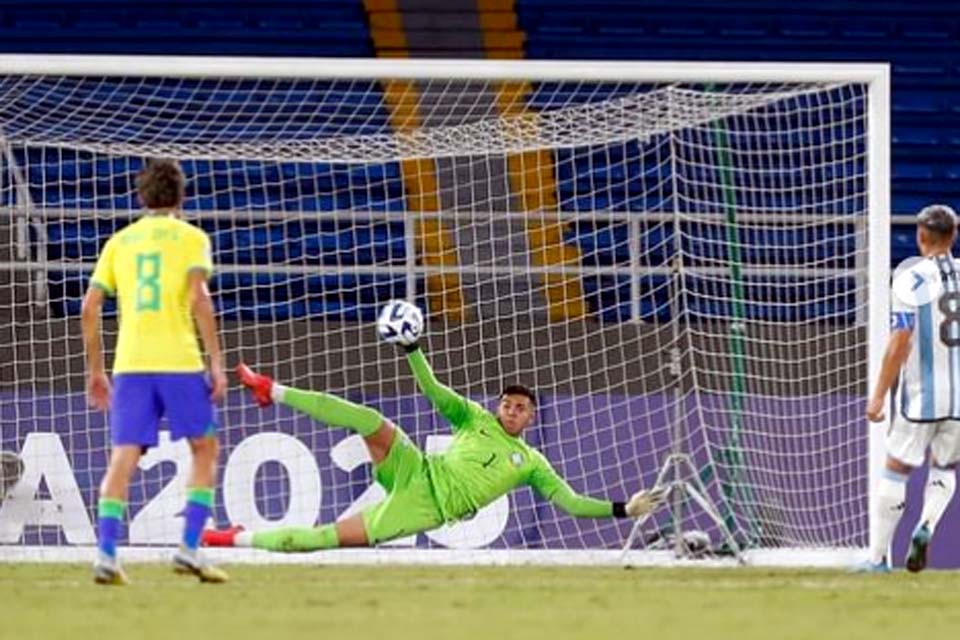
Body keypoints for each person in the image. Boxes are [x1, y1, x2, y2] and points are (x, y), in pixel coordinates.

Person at [204, 341, 665, 552]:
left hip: (425, 508)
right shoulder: (475, 417)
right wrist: (412, 348)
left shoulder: (532, 463)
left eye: (520, 407)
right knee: (369, 419)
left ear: (531, 416)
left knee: (324, 539)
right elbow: (433, 388)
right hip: (416, 469)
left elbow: (572, 503)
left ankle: (233, 537)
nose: (510, 410)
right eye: (506, 402)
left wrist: (625, 509)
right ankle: (272, 389)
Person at [82, 159, 228, 585]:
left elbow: (89, 308)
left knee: (123, 457)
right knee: (205, 449)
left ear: (142, 198)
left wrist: (95, 370)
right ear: (181, 197)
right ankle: (189, 548)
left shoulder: (120, 242)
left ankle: (107, 556)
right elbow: (200, 299)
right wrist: (216, 362)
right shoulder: (192, 238)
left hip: (130, 365)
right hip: (179, 362)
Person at [864, 203, 960, 572]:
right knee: (945, 468)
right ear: (953, 237)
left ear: (921, 237)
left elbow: (899, 343)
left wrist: (877, 395)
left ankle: (876, 560)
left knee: (896, 469)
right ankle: (927, 525)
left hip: (922, 397)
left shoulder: (910, 278)